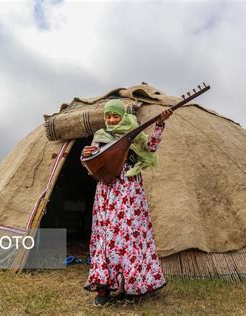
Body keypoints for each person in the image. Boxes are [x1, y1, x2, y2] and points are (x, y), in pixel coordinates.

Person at [82, 99, 173, 306]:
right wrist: (86, 153)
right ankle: (104, 287)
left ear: (122, 116)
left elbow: (150, 148)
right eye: (108, 116)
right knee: (106, 235)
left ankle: (130, 285)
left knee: (129, 233)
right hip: (107, 190)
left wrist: (159, 125)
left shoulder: (134, 132)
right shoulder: (100, 136)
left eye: (115, 115)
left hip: (130, 188)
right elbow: (91, 162)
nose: (111, 119)